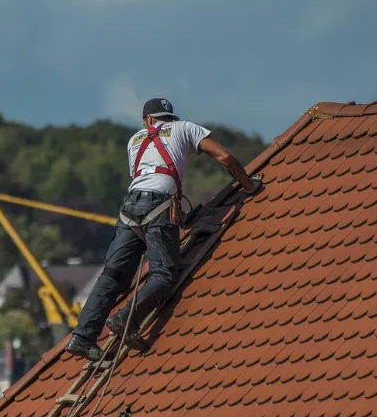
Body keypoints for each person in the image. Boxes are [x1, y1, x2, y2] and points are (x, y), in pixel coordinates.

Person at [64, 97, 260, 361]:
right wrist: (249, 186)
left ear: (147, 120)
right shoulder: (185, 128)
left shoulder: (134, 141)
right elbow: (224, 156)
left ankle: (82, 336)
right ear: (167, 118)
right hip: (160, 205)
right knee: (164, 274)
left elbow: (147, 178)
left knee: (113, 275)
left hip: (130, 209)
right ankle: (126, 319)